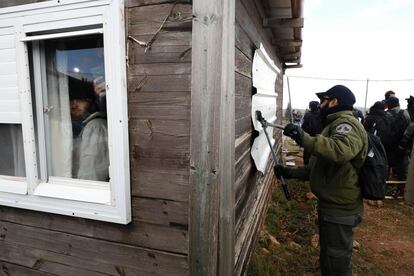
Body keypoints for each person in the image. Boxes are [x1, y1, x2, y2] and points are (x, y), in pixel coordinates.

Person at [275, 85, 368, 276]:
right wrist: (290, 172)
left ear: (334, 101)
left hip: (340, 209)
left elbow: (339, 150)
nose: (320, 104)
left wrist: (304, 138)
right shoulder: (332, 125)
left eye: (324, 100)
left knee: (337, 261)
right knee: (329, 256)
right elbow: (319, 169)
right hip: (332, 205)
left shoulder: (346, 125)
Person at [70, 79, 109, 182]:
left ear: (90, 101)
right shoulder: (77, 125)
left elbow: (91, 174)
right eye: (71, 100)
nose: (74, 104)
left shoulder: (95, 127)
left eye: (80, 100)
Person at [385, 96, 410, 181]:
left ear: (391, 104)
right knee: (401, 172)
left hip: (389, 147)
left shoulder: (387, 114)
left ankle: (387, 188)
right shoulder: (405, 113)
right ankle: (400, 190)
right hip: (402, 147)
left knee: (386, 169)